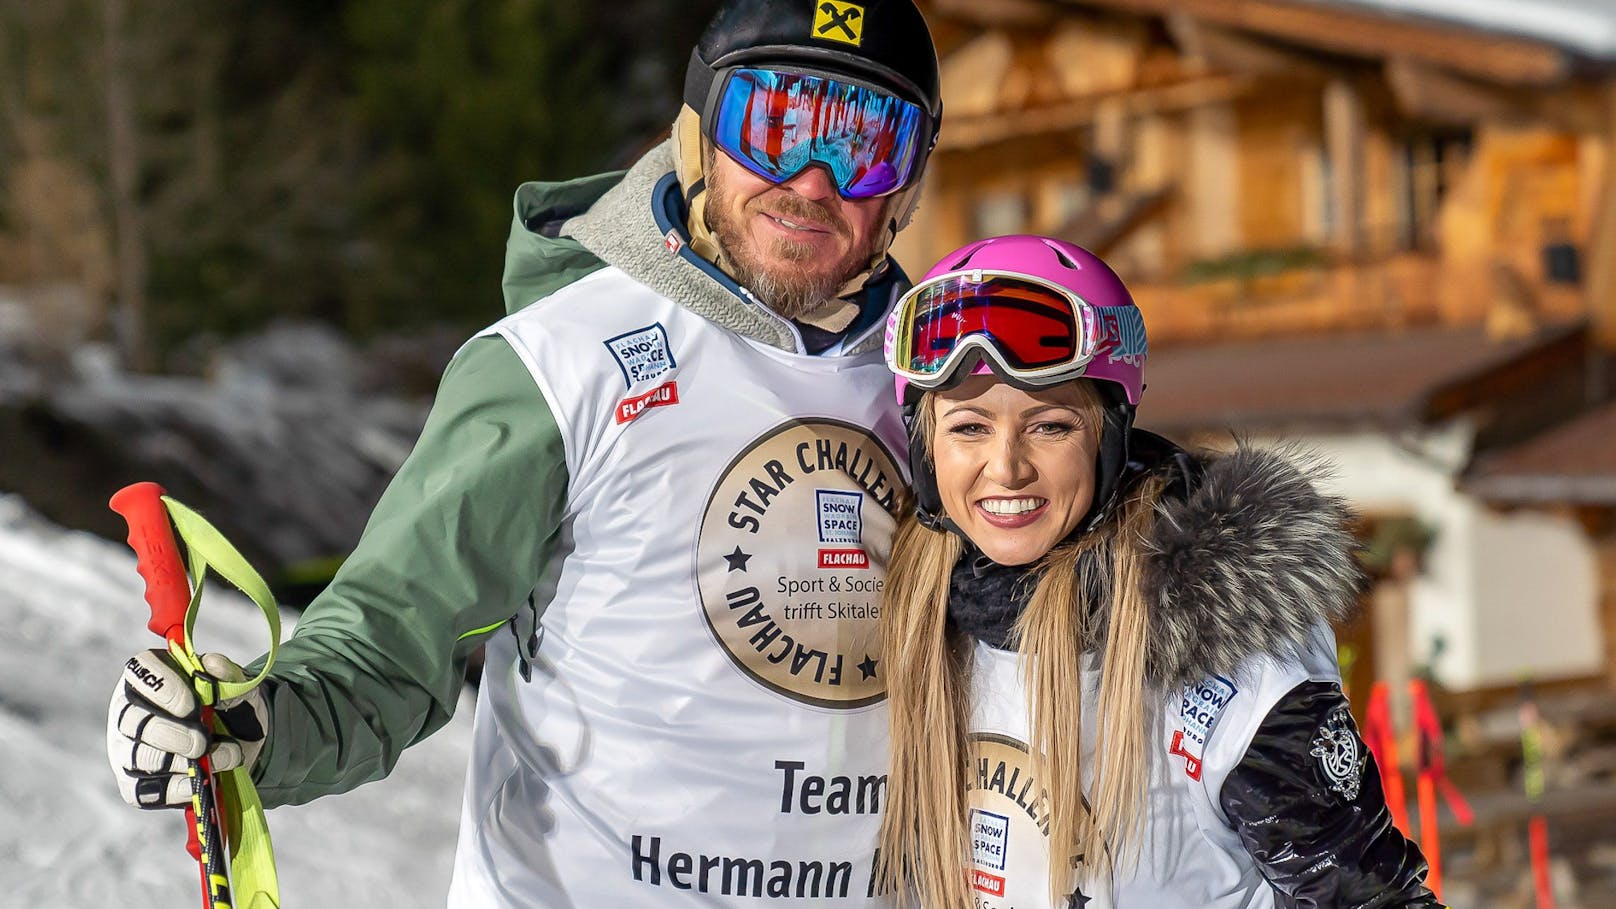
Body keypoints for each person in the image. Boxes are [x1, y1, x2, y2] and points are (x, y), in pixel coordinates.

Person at [107, 1, 943, 904]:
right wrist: (258, 727)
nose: (815, 181)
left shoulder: (951, 388)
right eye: (775, 125)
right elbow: (392, 631)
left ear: (906, 188)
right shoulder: (559, 361)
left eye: (865, 143)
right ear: (699, 134)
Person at [874, 235, 1443, 908]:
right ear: (925, 443)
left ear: (1107, 435)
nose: (1006, 467)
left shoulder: (1216, 653)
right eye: (968, 427)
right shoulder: (919, 618)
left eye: (1050, 426)